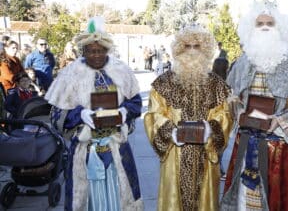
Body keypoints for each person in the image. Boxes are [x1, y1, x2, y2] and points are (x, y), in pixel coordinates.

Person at [220, 0, 288, 211]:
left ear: (279, 27)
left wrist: (280, 121)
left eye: (270, 23)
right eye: (260, 23)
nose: (265, 27)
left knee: (278, 200)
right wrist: (238, 113)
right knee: (245, 199)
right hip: (246, 141)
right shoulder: (243, 62)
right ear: (251, 28)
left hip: (279, 147)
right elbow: (232, 97)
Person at [45, 17, 144, 211]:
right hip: (85, 151)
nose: (96, 55)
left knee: (122, 196)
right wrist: (80, 115)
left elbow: (136, 102)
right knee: (85, 200)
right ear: (83, 51)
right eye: (91, 51)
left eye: (100, 51)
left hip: (117, 148)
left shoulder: (121, 70)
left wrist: (125, 111)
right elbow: (56, 114)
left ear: (107, 50)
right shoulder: (70, 74)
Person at [144, 25, 233, 211]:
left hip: (206, 159)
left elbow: (224, 114)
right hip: (174, 159)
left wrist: (211, 129)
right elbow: (154, 114)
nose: (192, 51)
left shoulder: (217, 84)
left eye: (197, 46)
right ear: (179, 49)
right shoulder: (164, 82)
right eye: (187, 46)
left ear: (205, 50)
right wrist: (171, 132)